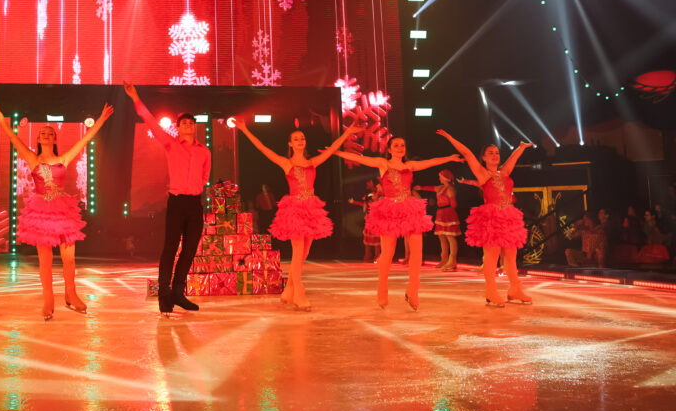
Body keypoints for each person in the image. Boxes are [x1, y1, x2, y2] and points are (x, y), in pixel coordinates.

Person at [0, 96, 113, 320]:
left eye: (50, 133)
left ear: (55, 139)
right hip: (41, 213)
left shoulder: (63, 159)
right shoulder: (32, 159)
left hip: (63, 211)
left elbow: (86, 139)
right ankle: (48, 300)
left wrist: (102, 119)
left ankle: (71, 294)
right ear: (38, 138)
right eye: (43, 133)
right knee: (45, 260)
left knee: (69, 258)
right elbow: (11, 137)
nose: (46, 135)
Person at [235, 120, 360, 310]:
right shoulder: (287, 163)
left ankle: (289, 289)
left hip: (311, 208)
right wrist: (244, 129)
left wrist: (347, 132)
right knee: (297, 252)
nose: (300, 140)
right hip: (294, 209)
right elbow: (262, 148)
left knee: (305, 253)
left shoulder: (312, 162)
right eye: (296, 138)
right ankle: (299, 293)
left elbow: (333, 148)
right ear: (290, 144)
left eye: (302, 138)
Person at [334, 137, 460, 310]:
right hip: (389, 209)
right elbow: (361, 158)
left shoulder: (410, 166)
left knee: (417, 251)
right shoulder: (383, 163)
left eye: (402, 145)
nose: (400, 148)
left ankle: (413, 290)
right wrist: (336, 151)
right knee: (387, 253)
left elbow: (430, 162)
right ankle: (382, 291)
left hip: (409, 209)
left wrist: (449, 158)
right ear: (389, 149)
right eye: (396, 145)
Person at [123, 82, 211, 317]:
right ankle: (164, 296)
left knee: (190, 250)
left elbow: (205, 176)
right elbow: (150, 121)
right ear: (178, 128)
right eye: (183, 123)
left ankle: (179, 293)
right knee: (170, 249)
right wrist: (136, 98)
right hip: (176, 202)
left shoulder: (205, 151)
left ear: (195, 127)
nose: (188, 126)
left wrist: (195, 188)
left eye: (191, 123)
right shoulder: (171, 144)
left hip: (194, 204)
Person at [437, 130, 533, 306]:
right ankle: (491, 291)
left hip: (509, 216)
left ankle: (515, 289)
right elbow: (467, 153)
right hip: (492, 216)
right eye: (490, 153)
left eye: (496, 153)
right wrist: (451, 138)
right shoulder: (482, 173)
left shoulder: (504, 171)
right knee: (492, 255)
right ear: (483, 157)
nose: (495, 156)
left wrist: (521, 148)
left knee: (511, 256)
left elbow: (514, 157)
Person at [416, 170, 462, 271]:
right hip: (441, 213)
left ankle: (452, 260)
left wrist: (448, 201)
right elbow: (431, 188)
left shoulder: (450, 189)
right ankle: (444, 258)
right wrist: (420, 188)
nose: (439, 178)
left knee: (450, 236)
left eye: (440, 176)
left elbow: (454, 205)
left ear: (445, 178)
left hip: (448, 213)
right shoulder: (440, 187)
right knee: (442, 236)